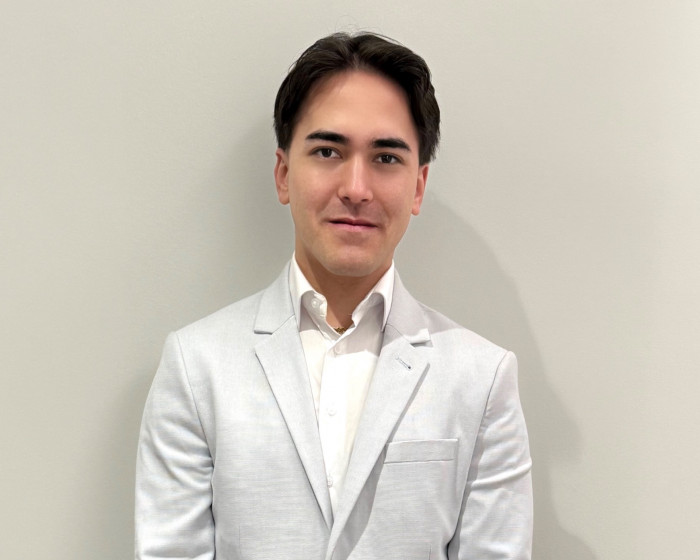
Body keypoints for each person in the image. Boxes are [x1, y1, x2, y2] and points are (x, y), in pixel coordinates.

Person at [135, 32, 533, 560]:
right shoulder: (197, 366)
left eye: (386, 157)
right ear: (283, 175)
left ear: (418, 186)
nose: (356, 188)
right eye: (327, 151)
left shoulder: (482, 378)